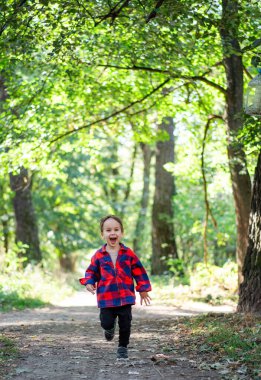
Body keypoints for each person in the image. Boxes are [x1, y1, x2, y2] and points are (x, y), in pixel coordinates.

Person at [79, 215, 152, 359]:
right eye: (108, 230)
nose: (112, 233)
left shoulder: (128, 253)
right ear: (103, 234)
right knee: (106, 322)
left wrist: (143, 289)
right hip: (106, 298)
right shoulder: (99, 255)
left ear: (121, 233)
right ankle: (109, 329)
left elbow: (138, 271)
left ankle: (123, 347)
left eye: (116, 229)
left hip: (125, 297)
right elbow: (92, 271)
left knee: (126, 324)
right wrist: (89, 282)